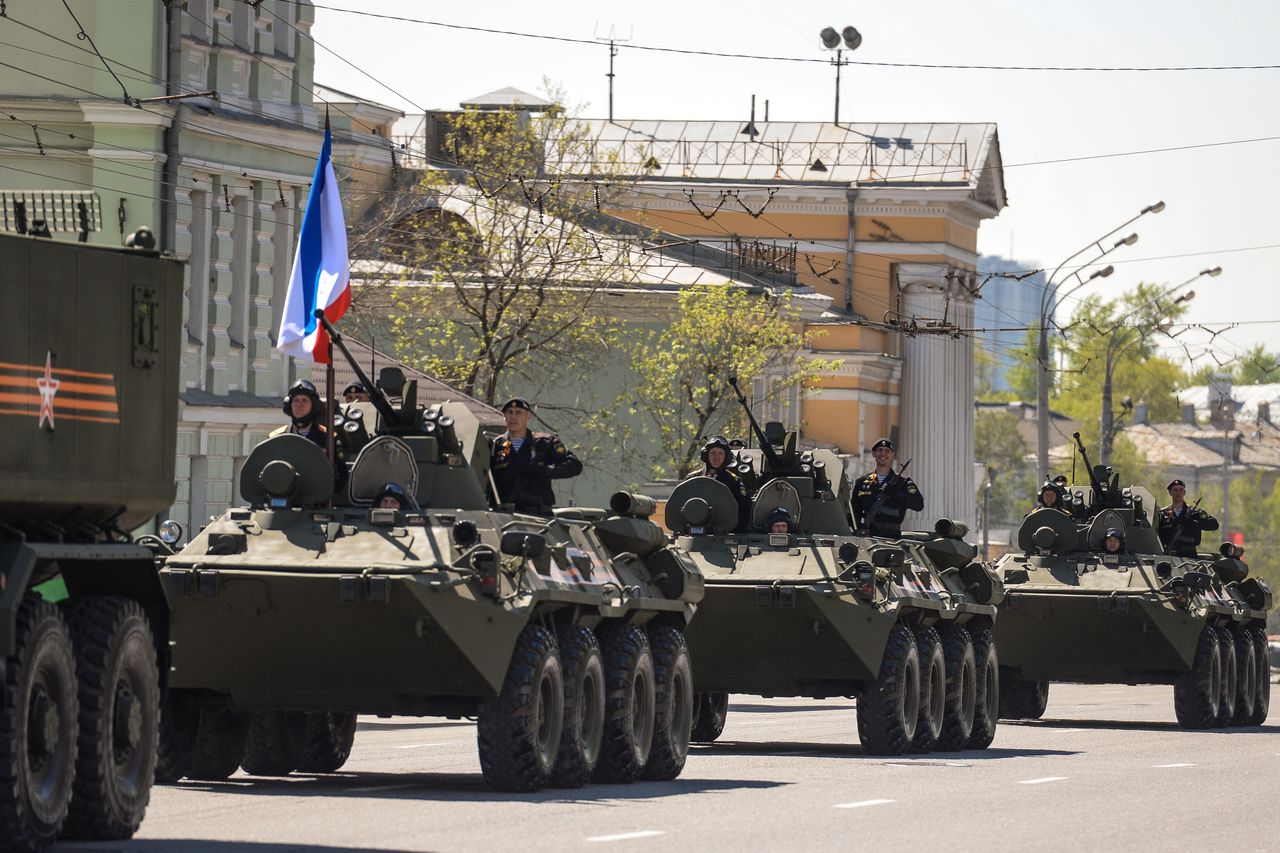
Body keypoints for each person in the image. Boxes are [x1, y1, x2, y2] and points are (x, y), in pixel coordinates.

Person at [489, 397, 582, 516]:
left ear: (528, 416)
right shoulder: (495, 446)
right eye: (509, 412)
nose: (513, 417)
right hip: (504, 515)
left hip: (538, 515)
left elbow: (574, 465)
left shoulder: (543, 443)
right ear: (504, 416)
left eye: (518, 412)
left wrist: (544, 471)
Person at [851, 438, 924, 537]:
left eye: (887, 451)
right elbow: (853, 510)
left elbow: (918, 505)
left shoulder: (903, 482)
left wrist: (896, 494)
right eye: (880, 450)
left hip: (893, 537)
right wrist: (857, 527)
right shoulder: (862, 482)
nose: (883, 454)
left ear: (892, 455)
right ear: (873, 454)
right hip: (868, 536)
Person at [698, 435, 752, 527]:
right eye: (713, 453)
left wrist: (734, 530)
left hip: (724, 532)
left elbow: (745, 509)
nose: (717, 457)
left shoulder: (734, 481)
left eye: (720, 453)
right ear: (706, 455)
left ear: (726, 457)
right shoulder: (694, 478)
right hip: (696, 527)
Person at [1157, 479, 1220, 557]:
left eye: (1181, 489)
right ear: (1170, 492)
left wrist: (1194, 523)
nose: (1178, 492)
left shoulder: (1194, 512)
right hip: (1169, 555)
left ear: (1184, 492)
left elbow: (1214, 524)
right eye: (1175, 490)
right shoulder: (1163, 513)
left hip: (1189, 555)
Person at [270, 379, 330, 451]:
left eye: (304, 400)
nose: (299, 404)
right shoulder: (276, 438)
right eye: (296, 400)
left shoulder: (328, 438)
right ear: (289, 405)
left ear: (313, 406)